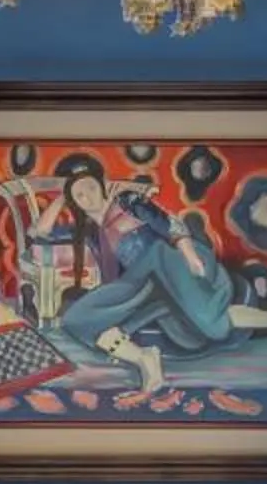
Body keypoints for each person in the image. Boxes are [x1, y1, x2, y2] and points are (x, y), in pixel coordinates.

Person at [30, 160, 238, 391]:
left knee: (210, 324)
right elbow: (40, 232)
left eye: (90, 186)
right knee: (75, 319)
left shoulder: (127, 201)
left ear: (102, 185)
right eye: (78, 194)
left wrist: (189, 254)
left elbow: (169, 223)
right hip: (135, 285)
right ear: (74, 202)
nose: (87, 194)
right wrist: (62, 197)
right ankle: (144, 358)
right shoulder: (88, 230)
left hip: (166, 263)